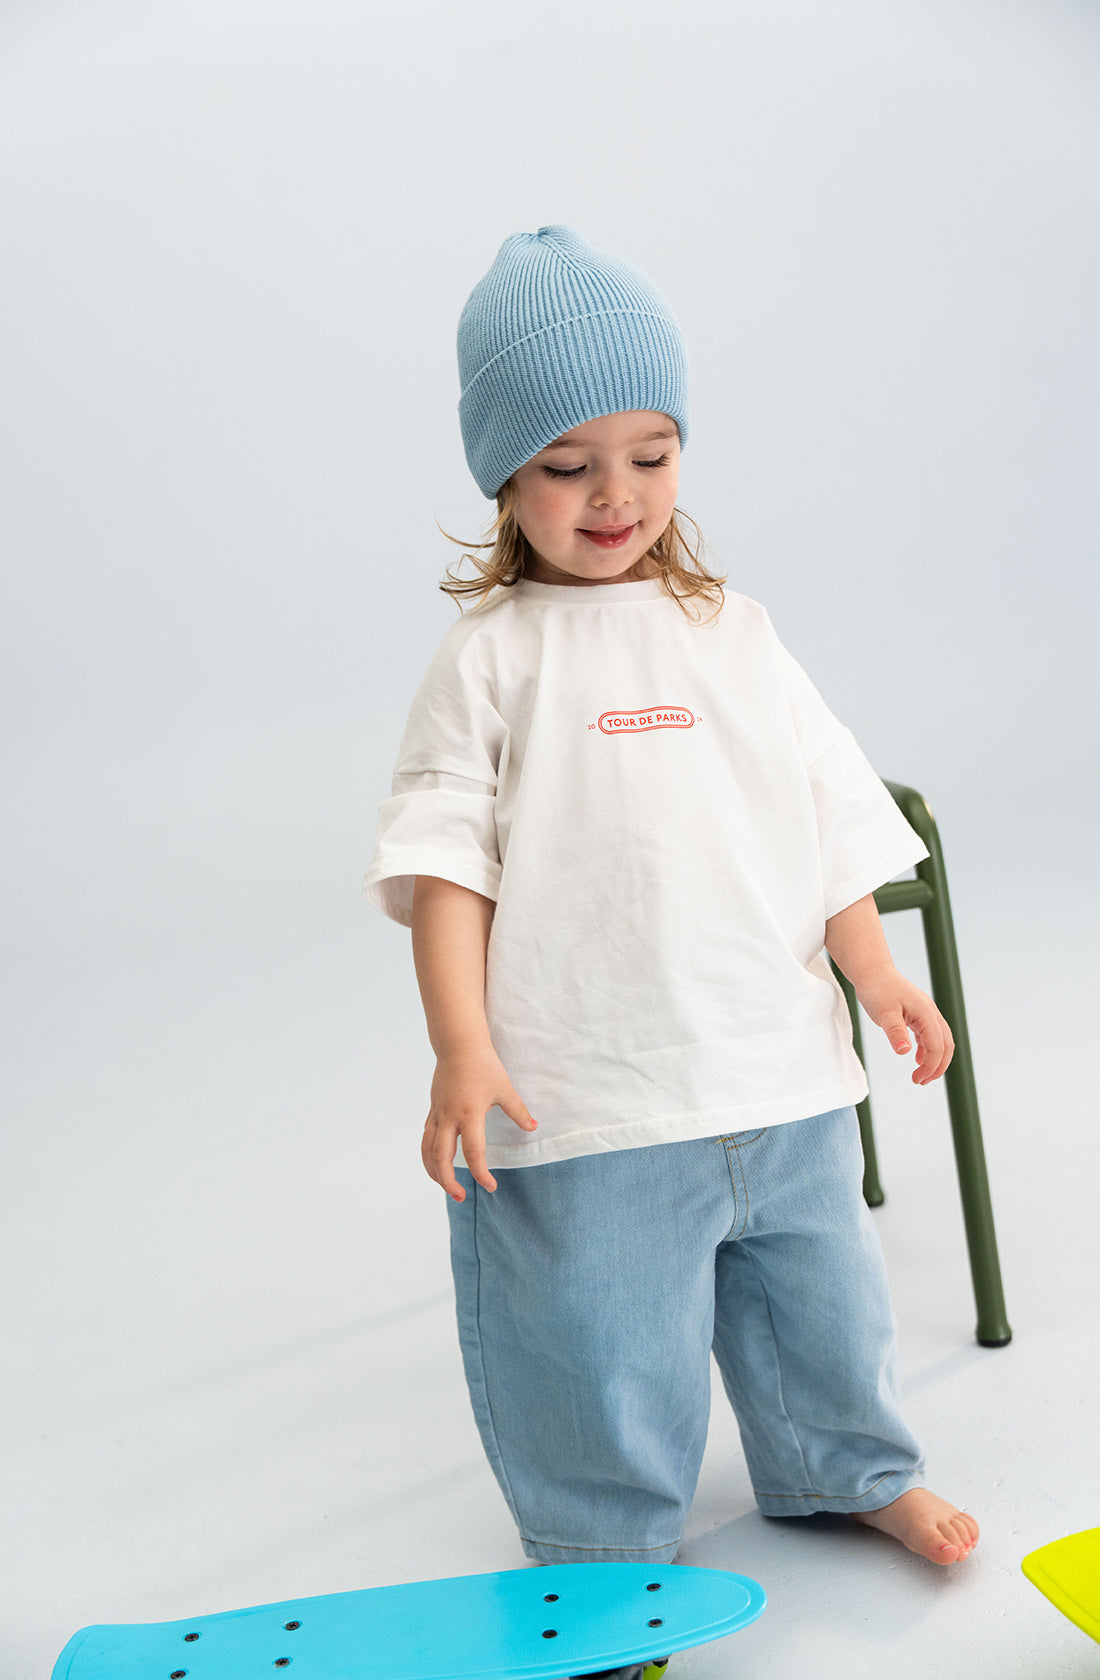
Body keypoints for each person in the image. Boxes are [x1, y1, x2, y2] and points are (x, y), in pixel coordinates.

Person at [363, 227, 979, 1612]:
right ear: (505, 476)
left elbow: (821, 807)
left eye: (650, 453)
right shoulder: (492, 661)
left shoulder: (734, 632)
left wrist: (874, 969)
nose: (613, 494)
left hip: (772, 1060)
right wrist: (460, 1047)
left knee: (822, 1297)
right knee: (593, 1329)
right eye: (567, 465)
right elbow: (445, 868)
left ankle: (851, 1468)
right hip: (592, 1086)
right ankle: (601, 1550)